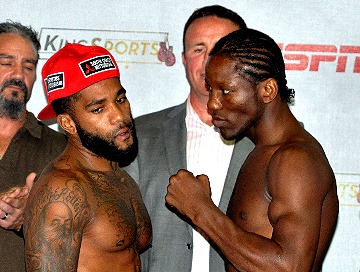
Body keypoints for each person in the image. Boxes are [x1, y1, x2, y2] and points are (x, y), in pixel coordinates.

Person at [166, 28, 339, 272]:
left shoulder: (294, 159)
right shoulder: (262, 152)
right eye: (211, 89)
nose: (213, 103)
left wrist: (200, 210)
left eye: (226, 91)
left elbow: (289, 267)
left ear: (267, 90)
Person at [124, 5, 254, 272]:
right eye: (199, 49)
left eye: (221, 48)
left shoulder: (266, 138)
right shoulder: (140, 135)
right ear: (183, 59)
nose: (209, 61)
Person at [23, 43, 152, 271]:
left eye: (120, 100)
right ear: (67, 124)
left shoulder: (121, 178)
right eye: (98, 109)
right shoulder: (62, 189)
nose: (119, 117)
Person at [0, 21, 67, 272]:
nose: (19, 75)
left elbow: (83, 235)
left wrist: (31, 218)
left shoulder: (61, 150)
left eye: (28, 66)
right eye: (7, 63)